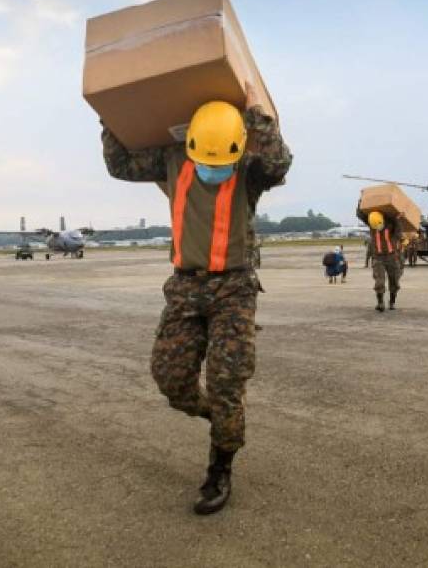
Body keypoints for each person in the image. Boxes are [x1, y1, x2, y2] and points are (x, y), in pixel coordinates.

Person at [102, 83, 292, 516]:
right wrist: (110, 117)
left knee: (228, 380)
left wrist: (257, 116)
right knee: (171, 379)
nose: (214, 169)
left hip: (234, 289)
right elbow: (120, 165)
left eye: (221, 162)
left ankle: (220, 466)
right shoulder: (171, 160)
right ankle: (219, 416)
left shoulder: (248, 169)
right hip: (186, 287)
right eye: (206, 161)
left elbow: (280, 164)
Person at [357, 209, 403, 312]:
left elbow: (399, 232)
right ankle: (380, 303)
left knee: (394, 281)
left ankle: (392, 302)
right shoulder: (372, 225)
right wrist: (360, 203)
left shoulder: (392, 224)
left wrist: (397, 218)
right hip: (378, 258)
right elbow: (361, 215)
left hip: (392, 257)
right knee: (379, 281)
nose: (377, 228)